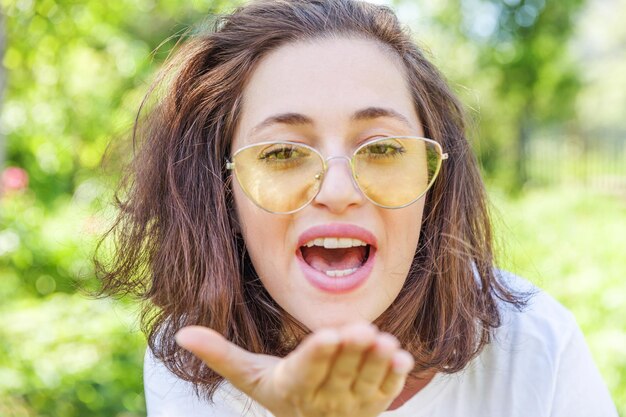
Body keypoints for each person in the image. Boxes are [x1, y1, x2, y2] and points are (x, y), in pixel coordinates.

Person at [95, 0, 619, 415]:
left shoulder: (535, 348)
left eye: (385, 148)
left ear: (434, 185)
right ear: (222, 193)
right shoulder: (196, 356)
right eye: (281, 153)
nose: (339, 190)